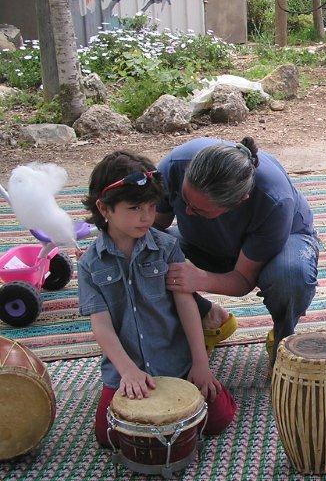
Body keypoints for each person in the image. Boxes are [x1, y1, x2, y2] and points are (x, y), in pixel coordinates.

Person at [77, 151, 236, 447]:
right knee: (108, 437)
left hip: (175, 361)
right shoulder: (89, 265)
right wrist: (128, 371)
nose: (147, 216)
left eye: (151, 206)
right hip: (127, 367)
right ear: (104, 208)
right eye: (134, 207)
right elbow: (102, 326)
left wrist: (200, 363)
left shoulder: (167, 248)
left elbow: (186, 305)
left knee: (219, 418)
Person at [154, 137, 318, 355]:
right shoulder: (175, 165)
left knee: (289, 276)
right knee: (141, 250)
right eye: (185, 199)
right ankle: (208, 315)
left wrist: (199, 278)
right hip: (203, 240)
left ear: (240, 201)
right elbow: (152, 225)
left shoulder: (274, 200)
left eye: (200, 210)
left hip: (283, 243)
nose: (187, 212)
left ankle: (283, 338)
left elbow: (242, 279)